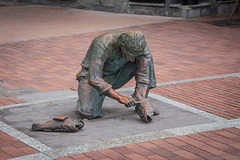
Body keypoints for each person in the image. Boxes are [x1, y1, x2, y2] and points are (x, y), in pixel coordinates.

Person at [75, 31, 159, 123]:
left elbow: (144, 75)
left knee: (147, 60)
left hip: (118, 73)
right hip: (93, 77)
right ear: (122, 45)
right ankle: (85, 103)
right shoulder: (103, 43)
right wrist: (119, 97)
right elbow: (94, 78)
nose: (131, 59)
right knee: (88, 112)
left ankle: (140, 102)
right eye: (129, 55)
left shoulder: (141, 45)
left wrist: (142, 101)